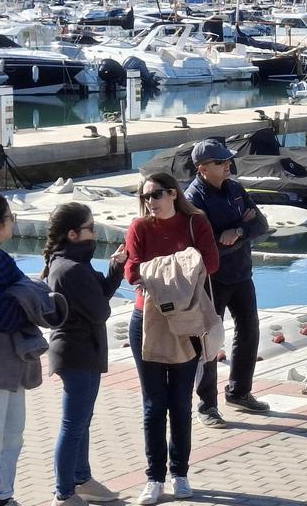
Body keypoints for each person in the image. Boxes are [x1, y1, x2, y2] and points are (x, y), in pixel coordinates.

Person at [125, 173, 219, 505]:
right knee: (153, 405)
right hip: (147, 320)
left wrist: (161, 272)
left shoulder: (196, 223)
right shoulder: (139, 228)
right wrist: (179, 267)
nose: (150, 201)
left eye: (156, 194)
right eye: (145, 196)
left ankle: (180, 473)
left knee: (180, 403)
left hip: (187, 320)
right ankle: (154, 478)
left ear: (173, 194)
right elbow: (132, 271)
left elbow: (210, 263)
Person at [42, 202, 126, 506]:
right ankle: (64, 493)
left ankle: (82, 478)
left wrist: (115, 269)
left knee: (82, 421)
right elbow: (101, 310)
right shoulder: (71, 268)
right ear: (74, 233)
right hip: (76, 354)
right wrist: (103, 288)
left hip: (84, 351)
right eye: (91, 227)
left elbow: (99, 296)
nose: (95, 232)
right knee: (72, 425)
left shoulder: (74, 261)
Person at [184, 139, 270, 429]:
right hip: (211, 279)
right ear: (202, 168)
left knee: (249, 331)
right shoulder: (194, 200)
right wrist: (231, 235)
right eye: (220, 163)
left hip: (242, 274)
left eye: (227, 161)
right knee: (209, 341)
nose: (227, 166)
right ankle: (207, 405)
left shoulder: (235, 188)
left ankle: (239, 391)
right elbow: (208, 248)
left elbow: (261, 225)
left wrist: (237, 231)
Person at [0, 195, 27, 506]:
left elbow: (30, 292)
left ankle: (3, 495)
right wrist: (23, 303)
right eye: (10, 217)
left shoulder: (2, 258)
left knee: (13, 433)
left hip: (12, 359)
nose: (13, 221)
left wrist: (22, 301)